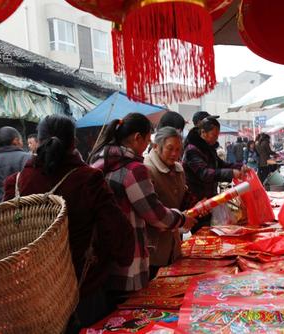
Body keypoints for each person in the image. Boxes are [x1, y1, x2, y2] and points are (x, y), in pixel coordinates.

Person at [3, 115, 134, 330]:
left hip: (32, 289)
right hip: (81, 288)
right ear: (73, 142)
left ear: (37, 140)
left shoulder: (16, 182)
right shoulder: (89, 179)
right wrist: (120, 258)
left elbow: (6, 234)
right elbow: (117, 231)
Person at [89, 113, 196, 298]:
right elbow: (155, 214)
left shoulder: (99, 161)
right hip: (129, 258)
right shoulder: (134, 169)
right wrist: (182, 219)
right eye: (147, 140)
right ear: (138, 138)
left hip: (102, 255)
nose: (147, 146)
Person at [183, 116, 244, 233]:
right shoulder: (192, 150)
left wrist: (239, 167)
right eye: (214, 135)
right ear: (203, 133)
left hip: (210, 200)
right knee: (202, 235)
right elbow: (205, 173)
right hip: (197, 202)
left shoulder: (208, 148)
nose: (216, 139)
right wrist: (231, 173)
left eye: (217, 136)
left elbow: (221, 164)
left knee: (213, 233)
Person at [144, 127, 190, 278]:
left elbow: (180, 201)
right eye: (170, 149)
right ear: (156, 146)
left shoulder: (179, 169)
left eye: (178, 149)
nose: (175, 154)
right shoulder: (146, 170)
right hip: (153, 248)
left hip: (173, 244)